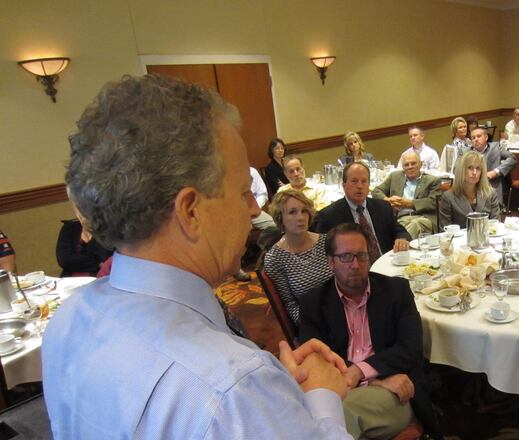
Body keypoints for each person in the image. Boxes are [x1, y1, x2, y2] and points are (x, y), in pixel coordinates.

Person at [42, 74, 353, 439]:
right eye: (242, 193)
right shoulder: (233, 390)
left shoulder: (69, 319)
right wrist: (322, 398)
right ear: (190, 211)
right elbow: (220, 397)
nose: (254, 210)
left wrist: (276, 393)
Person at [299, 223, 442, 440]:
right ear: (331, 262)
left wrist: (360, 373)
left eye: (361, 256)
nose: (355, 264)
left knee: (337, 415)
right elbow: (316, 361)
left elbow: (410, 349)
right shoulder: (314, 303)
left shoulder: (397, 291)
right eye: (346, 257)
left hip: (392, 393)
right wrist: (371, 380)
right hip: (363, 384)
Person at [313, 162, 411, 261]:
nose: (360, 186)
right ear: (343, 185)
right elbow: (325, 254)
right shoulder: (329, 216)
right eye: (354, 181)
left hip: (387, 264)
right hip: (354, 270)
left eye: (364, 181)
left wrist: (402, 239)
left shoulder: (382, 207)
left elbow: (400, 231)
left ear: (369, 185)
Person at [263, 189, 333, 327]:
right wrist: (315, 322)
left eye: (304, 211)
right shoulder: (275, 258)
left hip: (344, 308)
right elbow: (289, 304)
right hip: (313, 320)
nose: (300, 217)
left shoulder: (326, 241)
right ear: (280, 218)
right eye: (292, 212)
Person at [371, 151, 441, 238]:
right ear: (403, 167)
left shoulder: (432, 180)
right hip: (400, 218)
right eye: (406, 165)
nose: (410, 167)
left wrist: (410, 203)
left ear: (420, 164)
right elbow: (376, 191)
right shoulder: (395, 177)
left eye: (413, 163)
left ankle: (401, 244)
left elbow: (433, 202)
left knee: (415, 224)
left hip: (422, 218)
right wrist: (387, 200)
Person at [439, 150, 500, 227]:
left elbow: (496, 224)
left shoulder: (490, 193)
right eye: (470, 168)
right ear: (461, 170)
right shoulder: (448, 197)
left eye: (478, 168)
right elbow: (445, 231)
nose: (474, 173)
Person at [468, 126, 516, 204]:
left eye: (479, 136)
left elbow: (512, 159)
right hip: (471, 190)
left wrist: (495, 172)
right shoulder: (466, 152)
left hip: (491, 187)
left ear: (486, 137)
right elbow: (456, 169)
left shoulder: (495, 148)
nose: (476, 139)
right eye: (473, 138)